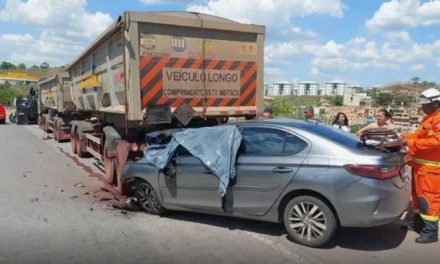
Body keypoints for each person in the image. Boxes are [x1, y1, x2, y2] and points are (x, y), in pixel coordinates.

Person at [400, 88, 440, 244]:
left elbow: (436, 142)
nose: (421, 108)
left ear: (435, 103)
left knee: (429, 199)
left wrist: (408, 142)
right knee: (417, 198)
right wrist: (402, 137)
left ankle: (431, 232)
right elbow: (417, 137)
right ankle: (417, 224)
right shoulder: (429, 118)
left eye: (425, 104)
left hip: (432, 170)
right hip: (420, 167)